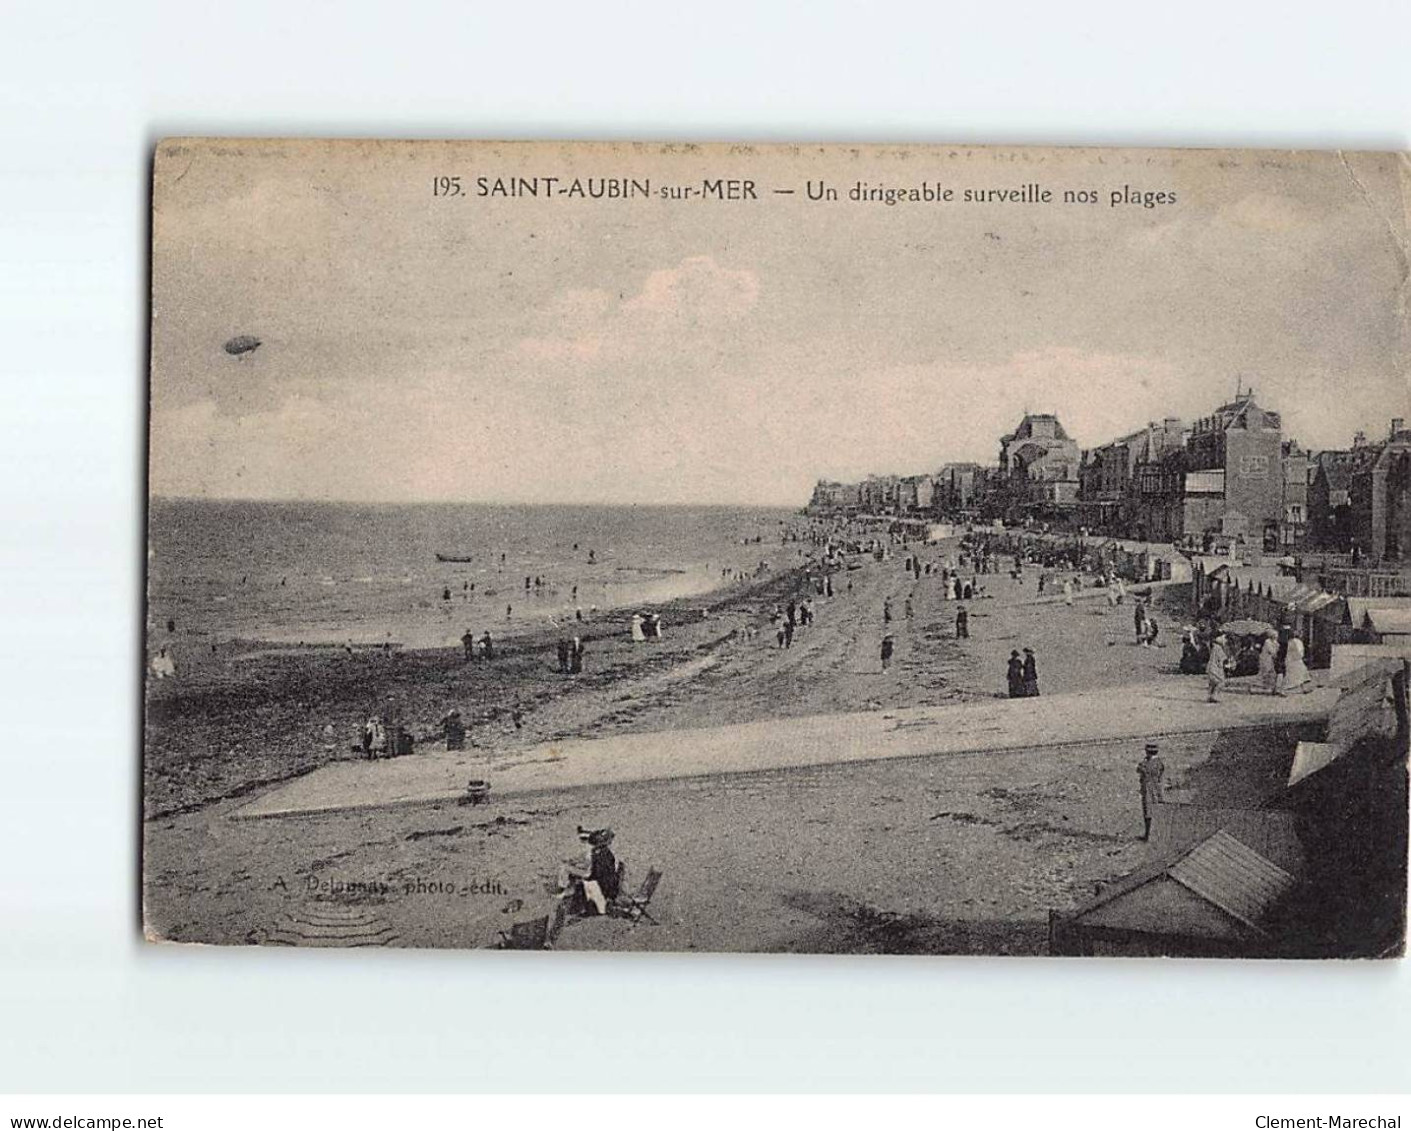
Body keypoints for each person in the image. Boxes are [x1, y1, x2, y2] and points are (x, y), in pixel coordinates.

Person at [1137, 742, 1166, 841]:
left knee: (1147, 812)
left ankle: (1147, 835)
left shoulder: (1146, 764)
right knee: (1156, 810)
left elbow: (1139, 769)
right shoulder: (1159, 762)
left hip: (1148, 789)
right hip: (1157, 788)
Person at [1206, 633, 1230, 702]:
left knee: (1212, 684)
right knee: (1221, 683)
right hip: (1215, 669)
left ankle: (1209, 696)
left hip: (1210, 668)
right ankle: (1214, 696)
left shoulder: (1214, 648)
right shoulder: (1219, 649)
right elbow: (1223, 659)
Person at [1258, 629, 1279, 694]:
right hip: (1266, 659)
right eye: (1275, 635)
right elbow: (1271, 651)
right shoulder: (1267, 642)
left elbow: (1278, 648)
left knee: (1272, 673)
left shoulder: (1275, 642)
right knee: (1266, 672)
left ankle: (1271, 687)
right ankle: (1265, 686)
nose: (1276, 636)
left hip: (1272, 659)